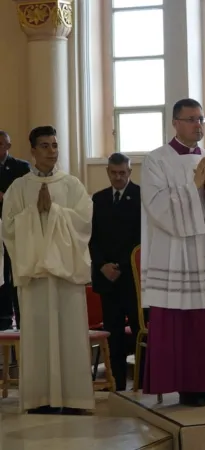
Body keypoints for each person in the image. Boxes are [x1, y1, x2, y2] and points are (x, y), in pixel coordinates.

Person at [140, 98, 205, 407]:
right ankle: (187, 386)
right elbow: (156, 206)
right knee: (180, 319)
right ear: (175, 123)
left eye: (201, 119)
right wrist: (193, 187)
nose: (198, 125)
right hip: (175, 251)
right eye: (192, 119)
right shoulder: (156, 160)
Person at [2, 126, 95, 414]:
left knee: (69, 334)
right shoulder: (20, 187)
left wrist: (54, 213)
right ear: (32, 151)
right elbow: (9, 228)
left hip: (65, 275)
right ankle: (39, 399)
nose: (51, 151)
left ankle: (73, 399)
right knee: (38, 334)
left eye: (55, 145)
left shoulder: (72, 185)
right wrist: (35, 215)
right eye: (44, 146)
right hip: (36, 277)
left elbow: (84, 224)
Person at [89, 152, 141, 391]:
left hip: (133, 278)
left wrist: (119, 265)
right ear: (108, 172)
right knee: (114, 334)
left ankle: (142, 382)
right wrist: (102, 265)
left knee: (141, 331)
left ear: (130, 172)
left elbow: (141, 238)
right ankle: (118, 384)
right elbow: (91, 238)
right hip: (106, 279)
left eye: (123, 173)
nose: (118, 177)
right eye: (114, 172)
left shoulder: (141, 197)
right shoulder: (98, 199)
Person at [0, 131, 30, 331]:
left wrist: (7, 198)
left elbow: (27, 196)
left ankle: (22, 323)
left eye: (1, 144)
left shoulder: (21, 167)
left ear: (8, 146)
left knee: (16, 275)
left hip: (16, 228)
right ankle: (2, 321)